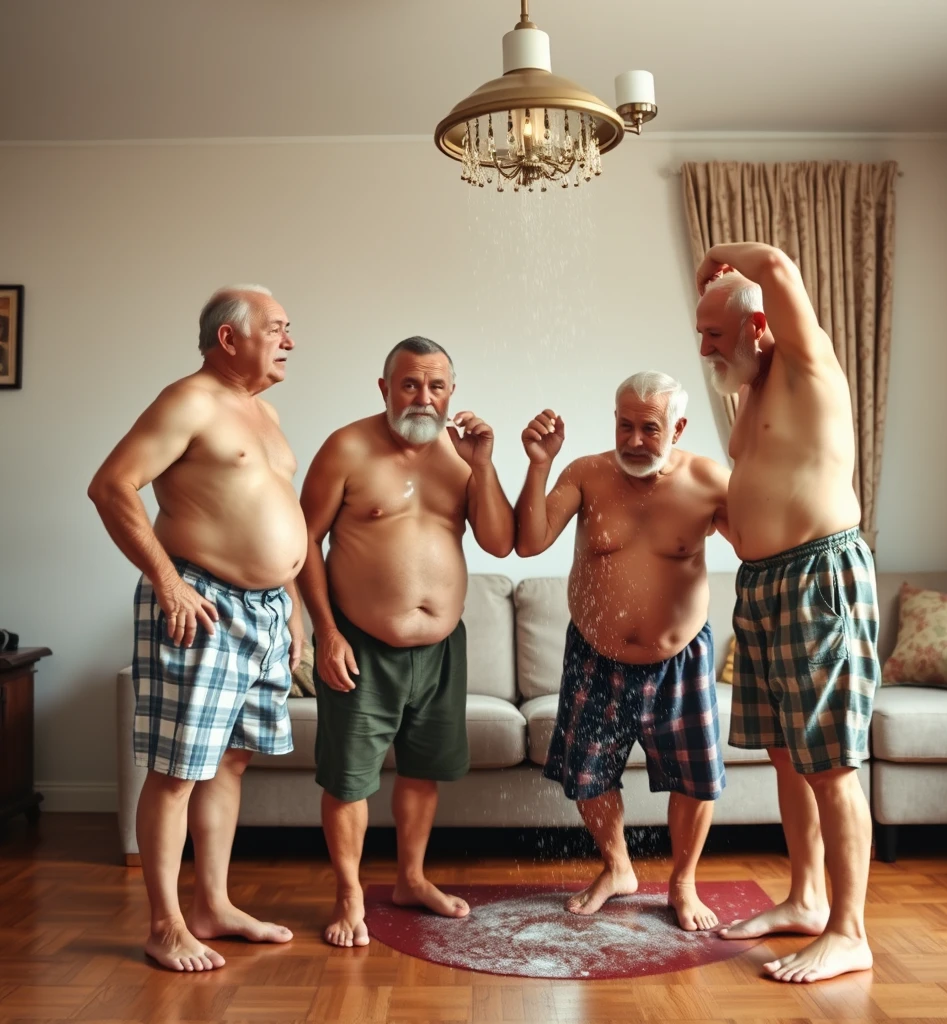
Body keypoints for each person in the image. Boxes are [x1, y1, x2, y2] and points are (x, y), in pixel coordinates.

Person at [88, 285, 306, 972]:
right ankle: (165, 924)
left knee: (230, 759)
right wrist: (168, 582)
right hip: (202, 603)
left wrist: (293, 604)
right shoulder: (188, 400)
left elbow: (270, 511)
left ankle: (212, 904)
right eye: (277, 328)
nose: (290, 342)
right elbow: (112, 485)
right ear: (229, 338)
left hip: (266, 612)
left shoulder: (263, 411)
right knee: (179, 769)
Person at [695, 243, 879, 983]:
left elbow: (774, 263)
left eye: (713, 334)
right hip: (764, 584)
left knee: (830, 766)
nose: (704, 348)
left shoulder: (812, 368)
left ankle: (849, 930)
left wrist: (719, 258)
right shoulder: (747, 398)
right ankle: (804, 898)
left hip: (818, 578)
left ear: (759, 326)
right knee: (784, 754)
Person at [297, 335, 515, 948]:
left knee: (424, 771)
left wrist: (485, 464)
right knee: (349, 779)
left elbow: (498, 542)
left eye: (436, 385)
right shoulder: (346, 447)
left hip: (441, 649)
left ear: (452, 392)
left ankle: (410, 880)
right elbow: (302, 544)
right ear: (385, 387)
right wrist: (327, 632)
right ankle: (348, 897)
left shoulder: (461, 455)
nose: (423, 396)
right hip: (360, 643)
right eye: (410, 384)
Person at [515, 372, 730, 930]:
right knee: (587, 773)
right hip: (595, 654)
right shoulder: (586, 473)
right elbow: (529, 541)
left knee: (695, 777)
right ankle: (618, 868)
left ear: (678, 427)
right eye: (624, 425)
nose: (634, 440)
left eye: (650, 428)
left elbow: (761, 543)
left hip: (680, 659)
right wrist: (539, 463)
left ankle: (682, 884)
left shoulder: (709, 480)